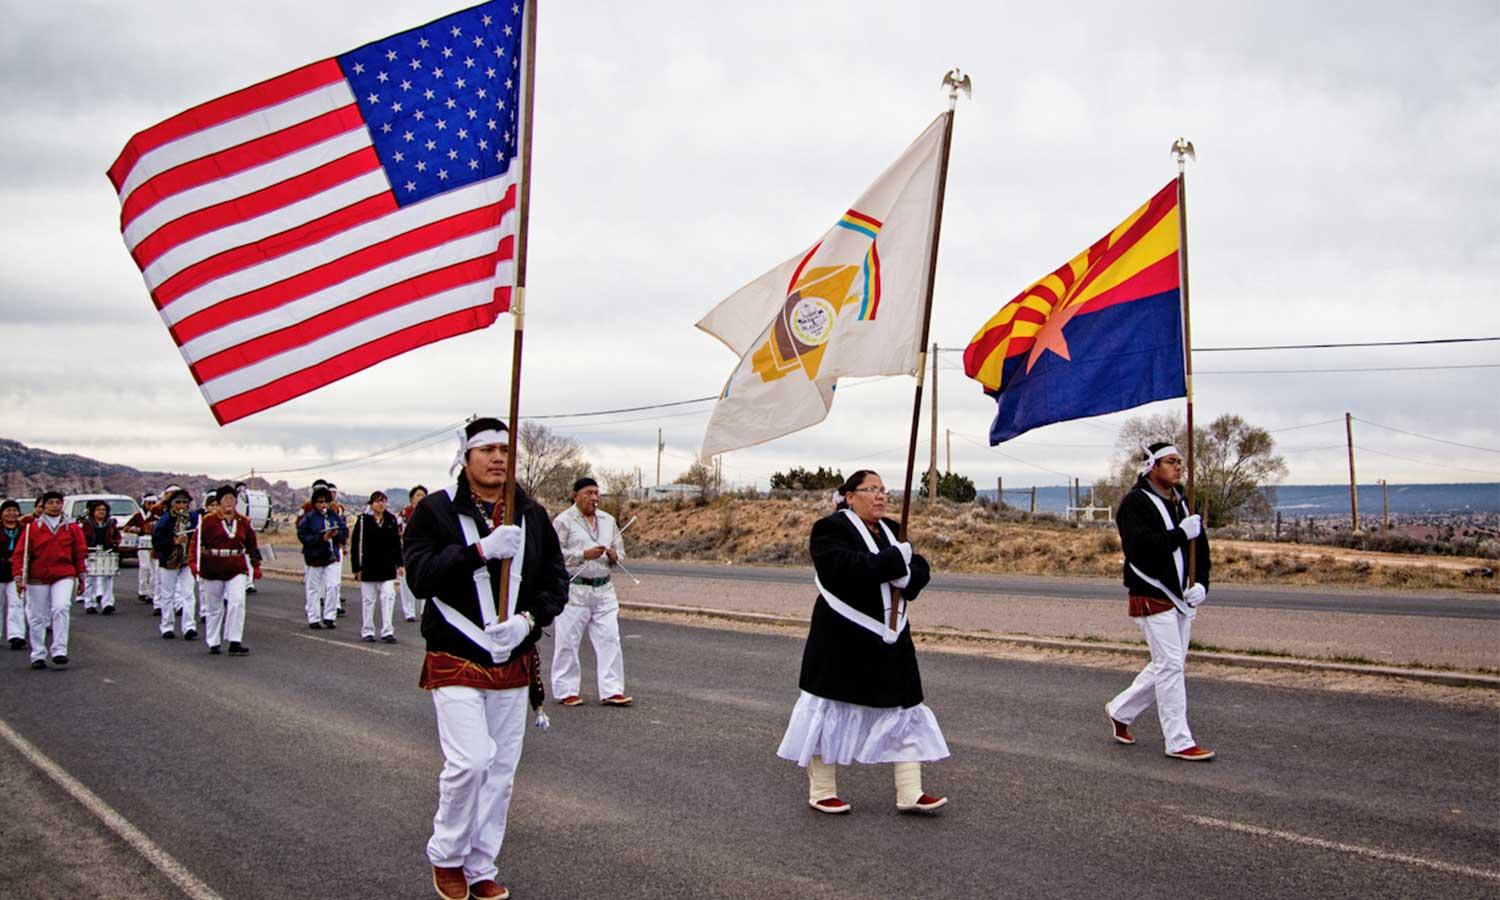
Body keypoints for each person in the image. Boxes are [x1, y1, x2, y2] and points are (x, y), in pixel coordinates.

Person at [403, 417, 568, 900]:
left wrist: (529, 620)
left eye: (505, 450)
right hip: (455, 657)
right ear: (466, 457)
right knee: (472, 762)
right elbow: (420, 576)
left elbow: (555, 581)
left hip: (512, 661)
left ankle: (480, 864)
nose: (499, 458)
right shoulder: (433, 512)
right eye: (488, 449)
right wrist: (478, 551)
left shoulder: (532, 514)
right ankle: (447, 854)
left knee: (500, 773)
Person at [776, 470, 949, 815]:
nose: (881, 496)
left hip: (890, 639)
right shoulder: (829, 530)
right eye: (871, 490)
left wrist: (907, 573)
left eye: (883, 490)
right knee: (830, 710)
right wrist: (892, 563)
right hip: (841, 639)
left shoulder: (891, 531)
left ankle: (910, 792)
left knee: (904, 708)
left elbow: (918, 564)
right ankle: (822, 790)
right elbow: (841, 568)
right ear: (850, 496)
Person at [1105, 442, 1215, 761]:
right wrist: (1181, 534)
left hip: (1182, 595)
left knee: (1169, 663)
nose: (1178, 467)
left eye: (1180, 462)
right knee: (1170, 666)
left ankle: (1121, 710)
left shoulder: (1181, 502)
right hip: (1151, 593)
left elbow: (1201, 549)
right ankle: (1178, 740)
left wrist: (1203, 584)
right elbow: (1140, 548)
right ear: (1152, 466)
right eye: (1170, 462)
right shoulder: (1134, 504)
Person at [550, 477, 632, 707]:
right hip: (575, 589)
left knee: (610, 638)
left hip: (603, 589)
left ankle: (612, 690)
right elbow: (554, 555)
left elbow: (620, 551)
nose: (594, 498)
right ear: (575, 495)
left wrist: (616, 556)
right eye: (588, 493)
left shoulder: (608, 520)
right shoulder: (564, 521)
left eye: (597, 493)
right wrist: (582, 555)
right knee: (567, 640)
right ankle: (566, 690)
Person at [13, 491, 87, 669]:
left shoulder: (72, 528)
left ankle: (59, 650)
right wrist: (18, 576)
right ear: (43, 506)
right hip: (37, 576)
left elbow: (80, 552)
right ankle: (38, 654)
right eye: (51, 502)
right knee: (37, 616)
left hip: (64, 573)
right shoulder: (33, 528)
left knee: (61, 607)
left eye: (58, 502)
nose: (55, 506)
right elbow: (20, 554)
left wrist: (82, 576)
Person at [191, 486, 261, 656]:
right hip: (212, 567)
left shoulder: (243, 522)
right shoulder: (208, 521)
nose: (229, 502)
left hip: (236, 566)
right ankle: (213, 642)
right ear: (219, 502)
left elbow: (252, 544)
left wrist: (256, 564)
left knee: (237, 601)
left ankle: (234, 641)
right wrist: (194, 564)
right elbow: (195, 544)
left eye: (232, 498)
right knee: (214, 607)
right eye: (225, 499)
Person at [351, 490, 403, 644]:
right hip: (368, 565)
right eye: (378, 501)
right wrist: (356, 568)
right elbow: (356, 545)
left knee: (388, 595)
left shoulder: (391, 520)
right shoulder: (362, 520)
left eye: (383, 501)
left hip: (387, 565)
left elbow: (396, 544)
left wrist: (400, 563)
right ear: (371, 503)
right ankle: (367, 631)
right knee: (368, 599)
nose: (381, 504)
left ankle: (387, 631)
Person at [151, 489, 200, 640]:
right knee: (167, 595)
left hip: (186, 561)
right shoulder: (164, 520)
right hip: (169, 561)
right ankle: (167, 626)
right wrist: (173, 541)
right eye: (178, 502)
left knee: (188, 594)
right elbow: (157, 542)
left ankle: (189, 627)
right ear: (171, 504)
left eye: (185, 502)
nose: (181, 505)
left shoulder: (194, 518)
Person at [299, 487, 348, 629]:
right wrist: (321, 538)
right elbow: (303, 535)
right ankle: (314, 618)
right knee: (313, 588)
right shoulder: (309, 518)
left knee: (333, 586)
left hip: (331, 556)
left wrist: (336, 535)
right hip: (314, 557)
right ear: (315, 503)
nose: (323, 505)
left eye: (326, 502)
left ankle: (329, 616)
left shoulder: (333, 515)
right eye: (320, 502)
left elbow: (345, 531)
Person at [79, 500, 122, 615]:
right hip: (91, 552)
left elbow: (117, 536)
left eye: (103, 510)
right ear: (92, 511)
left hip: (107, 552)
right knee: (90, 578)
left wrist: (115, 543)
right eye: (98, 510)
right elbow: (81, 537)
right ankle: (90, 603)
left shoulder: (111, 522)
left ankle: (107, 603)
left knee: (108, 578)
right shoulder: (86, 523)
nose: (101, 512)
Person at [398, 484, 429, 622]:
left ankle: (424, 610)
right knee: (406, 582)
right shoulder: (404, 514)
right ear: (411, 499)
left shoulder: (431, 513)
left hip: (426, 551)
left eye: (423, 495)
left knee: (427, 579)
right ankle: (409, 611)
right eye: (418, 495)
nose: (421, 498)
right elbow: (397, 533)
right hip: (407, 552)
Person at [123, 494, 160, 604]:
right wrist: (135, 529)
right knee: (145, 567)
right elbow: (126, 527)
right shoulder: (138, 516)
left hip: (155, 543)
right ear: (144, 504)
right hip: (143, 543)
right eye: (149, 503)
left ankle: (152, 592)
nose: (152, 506)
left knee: (155, 569)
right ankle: (142, 590)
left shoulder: (158, 515)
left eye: (154, 503)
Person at [2, 500, 25, 650]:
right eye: (8, 510)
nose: (12, 514)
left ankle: (16, 635)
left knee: (17, 603)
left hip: (16, 572)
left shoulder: (25, 530)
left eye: (14, 511)